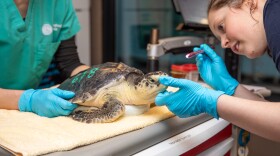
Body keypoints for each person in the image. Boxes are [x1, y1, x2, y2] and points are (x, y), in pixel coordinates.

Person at [155, 0, 280, 142]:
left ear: (249, 2)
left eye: (221, 26)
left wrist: (208, 101)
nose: (223, 43)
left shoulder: (276, 17)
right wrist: (230, 87)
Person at [0, 0, 89, 117]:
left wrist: (94, 79)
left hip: (38, 105)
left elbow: (69, 63)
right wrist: (29, 100)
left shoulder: (58, 3)